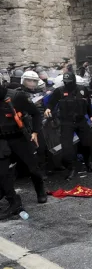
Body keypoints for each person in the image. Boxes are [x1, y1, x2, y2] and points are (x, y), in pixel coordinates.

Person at [0, 84, 47, 220]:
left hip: (19, 138)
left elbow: (36, 113)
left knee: (33, 169)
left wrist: (35, 132)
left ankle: (40, 191)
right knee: (2, 173)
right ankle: (13, 201)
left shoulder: (16, 96)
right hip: (2, 140)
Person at [45, 72, 92, 180]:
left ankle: (89, 163)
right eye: (65, 82)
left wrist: (91, 116)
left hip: (81, 120)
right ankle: (71, 168)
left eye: (69, 82)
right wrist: (48, 109)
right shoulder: (59, 91)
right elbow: (51, 103)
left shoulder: (83, 89)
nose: (67, 84)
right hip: (66, 122)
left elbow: (88, 104)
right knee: (67, 147)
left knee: (87, 143)